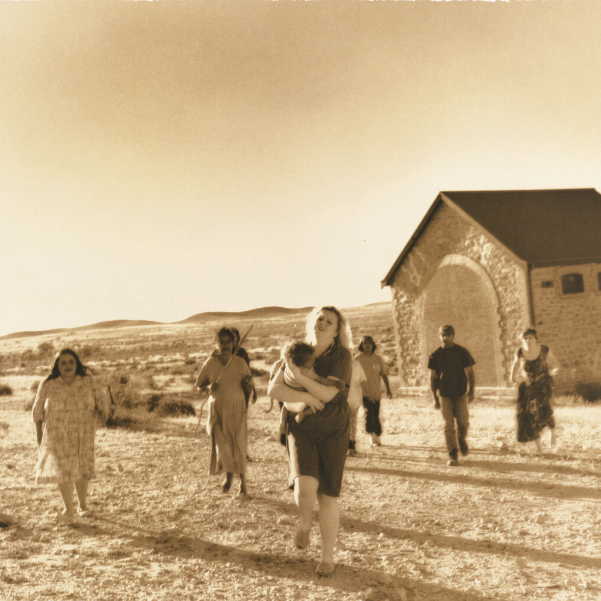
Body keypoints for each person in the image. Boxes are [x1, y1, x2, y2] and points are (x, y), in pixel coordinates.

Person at [268, 306, 352, 577]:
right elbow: (274, 389)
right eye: (319, 319)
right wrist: (305, 398)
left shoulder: (342, 355)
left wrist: (302, 379)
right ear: (312, 322)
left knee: (327, 496)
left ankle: (327, 558)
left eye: (329, 321)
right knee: (305, 487)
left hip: (334, 430)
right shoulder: (297, 350)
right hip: (302, 428)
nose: (323, 323)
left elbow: (329, 394)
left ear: (338, 330)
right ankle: (304, 524)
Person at [32, 348, 109, 522]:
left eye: (71, 362)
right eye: (63, 362)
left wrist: (102, 412)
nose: (67, 365)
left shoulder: (88, 381)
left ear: (77, 364)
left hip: (84, 432)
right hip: (57, 434)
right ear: (57, 366)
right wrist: (39, 434)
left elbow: (101, 400)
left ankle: (83, 506)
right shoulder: (48, 384)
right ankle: (69, 509)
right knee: (63, 470)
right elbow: (37, 410)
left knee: (82, 467)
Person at [196, 327, 254, 495]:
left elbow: (248, 386)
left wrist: (248, 385)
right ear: (216, 343)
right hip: (216, 411)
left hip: (237, 408)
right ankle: (229, 476)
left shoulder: (240, 363)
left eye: (229, 341)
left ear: (234, 343)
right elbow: (199, 386)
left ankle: (242, 484)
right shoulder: (209, 363)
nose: (226, 345)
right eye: (222, 341)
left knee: (238, 445)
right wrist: (208, 386)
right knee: (222, 444)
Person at [428, 325, 475, 467]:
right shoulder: (435, 354)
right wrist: (434, 397)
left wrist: (471, 390)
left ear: (453, 336)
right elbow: (432, 377)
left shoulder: (462, 352)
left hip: (460, 393)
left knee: (463, 422)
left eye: (448, 335)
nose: (445, 338)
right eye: (443, 335)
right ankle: (453, 454)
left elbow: (470, 372)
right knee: (448, 425)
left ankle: (461, 439)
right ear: (439, 336)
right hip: (444, 394)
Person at [510, 328, 560, 454]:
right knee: (531, 415)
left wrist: (555, 369)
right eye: (525, 338)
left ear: (535, 339)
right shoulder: (520, 352)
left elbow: (555, 363)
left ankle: (553, 433)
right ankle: (539, 448)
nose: (528, 340)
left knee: (546, 411)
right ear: (522, 340)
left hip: (544, 386)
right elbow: (516, 364)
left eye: (530, 338)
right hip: (528, 387)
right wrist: (512, 376)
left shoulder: (544, 349)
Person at [278, 340, 345, 425]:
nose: (313, 361)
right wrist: (335, 383)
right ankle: (304, 414)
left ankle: (282, 421)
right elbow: (320, 379)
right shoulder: (305, 372)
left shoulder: (290, 366)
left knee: (285, 405)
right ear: (301, 363)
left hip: (287, 401)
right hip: (300, 404)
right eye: (310, 360)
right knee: (324, 399)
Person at [355, 336, 392, 447]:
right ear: (361, 345)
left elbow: (384, 374)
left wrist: (388, 389)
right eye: (365, 343)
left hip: (376, 392)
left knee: (375, 415)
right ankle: (371, 436)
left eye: (370, 343)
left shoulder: (378, 359)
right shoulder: (357, 359)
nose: (368, 345)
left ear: (373, 345)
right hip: (364, 393)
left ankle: (377, 435)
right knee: (369, 414)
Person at [347, 358, 367, 456]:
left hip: (353, 399)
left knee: (352, 422)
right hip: (340, 400)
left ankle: (351, 445)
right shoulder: (337, 363)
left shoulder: (356, 364)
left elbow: (362, 380)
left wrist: (366, 394)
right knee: (344, 423)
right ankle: (345, 446)